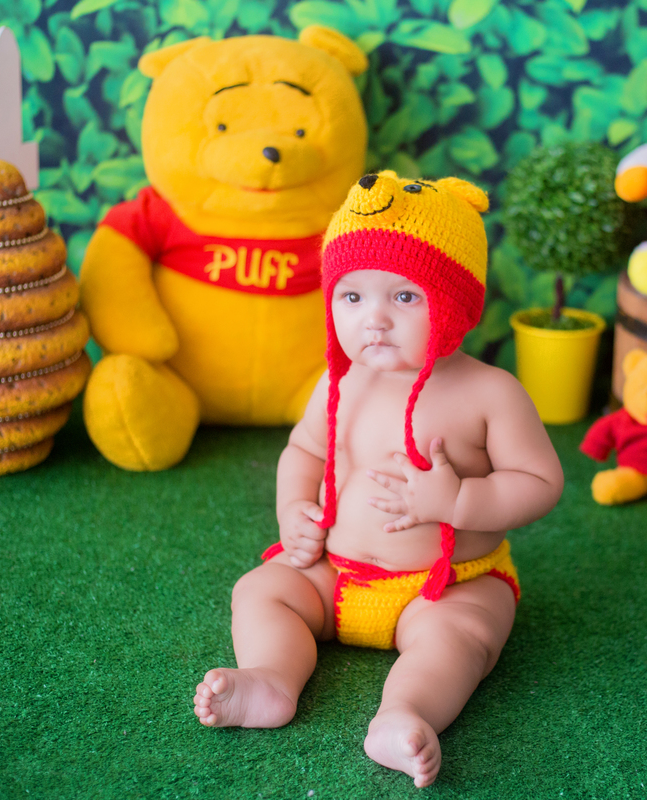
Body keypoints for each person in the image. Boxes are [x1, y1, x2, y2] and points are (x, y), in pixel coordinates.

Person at [192, 171, 564, 787]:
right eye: (352, 297)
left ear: (454, 302)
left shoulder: (490, 393)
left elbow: (539, 481)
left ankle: (406, 713)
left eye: (405, 297)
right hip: (332, 573)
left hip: (446, 585)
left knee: (462, 637)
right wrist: (294, 509)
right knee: (261, 590)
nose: (375, 321)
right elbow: (304, 449)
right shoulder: (339, 379)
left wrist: (459, 499)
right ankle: (272, 679)